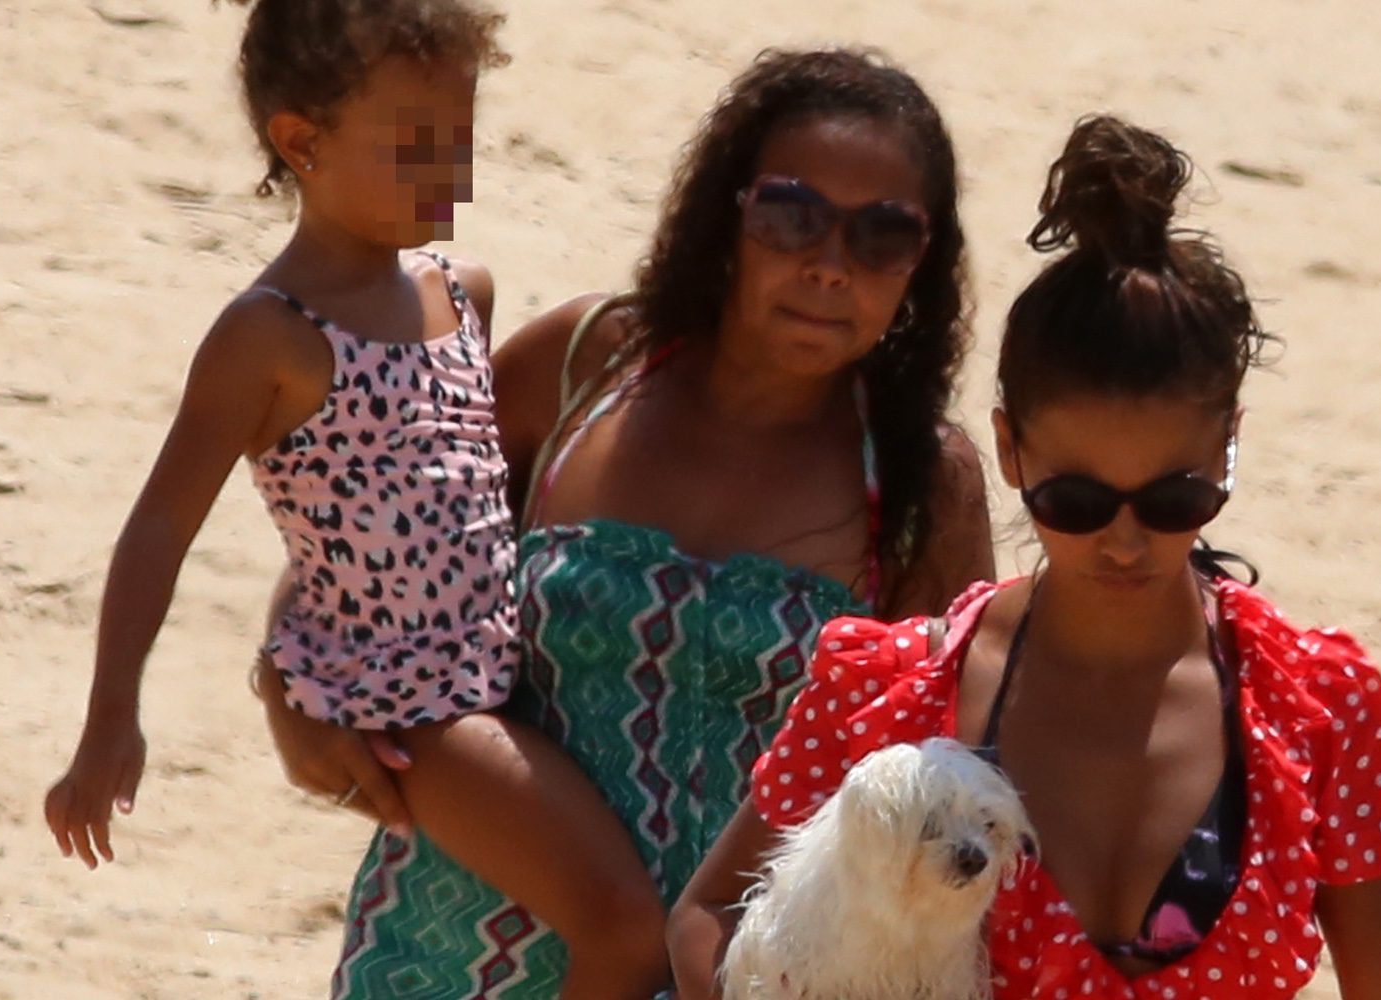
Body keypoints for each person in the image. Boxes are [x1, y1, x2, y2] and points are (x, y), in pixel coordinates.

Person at [258, 47, 995, 998]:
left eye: (881, 236)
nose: (828, 266)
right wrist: (286, 675)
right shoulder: (583, 366)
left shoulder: (918, 480)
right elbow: (378, 529)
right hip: (452, 943)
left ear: (922, 263)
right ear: (727, 216)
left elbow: (956, 776)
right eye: (791, 216)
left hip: (731, 974)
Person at [672, 116, 1381, 1000]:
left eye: (1173, 501)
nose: (1124, 541)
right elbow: (711, 918)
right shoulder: (892, 691)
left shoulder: (1320, 712)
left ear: (1230, 451)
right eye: (1075, 503)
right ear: (1010, 452)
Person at [41, 2, 667, 996]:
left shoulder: (463, 289)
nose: (451, 174)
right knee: (628, 931)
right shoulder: (269, 336)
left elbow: (459, 483)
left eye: (460, 142)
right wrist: (112, 715)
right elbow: (160, 525)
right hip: (413, 708)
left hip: (508, 669)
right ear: (303, 141)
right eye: (418, 149)